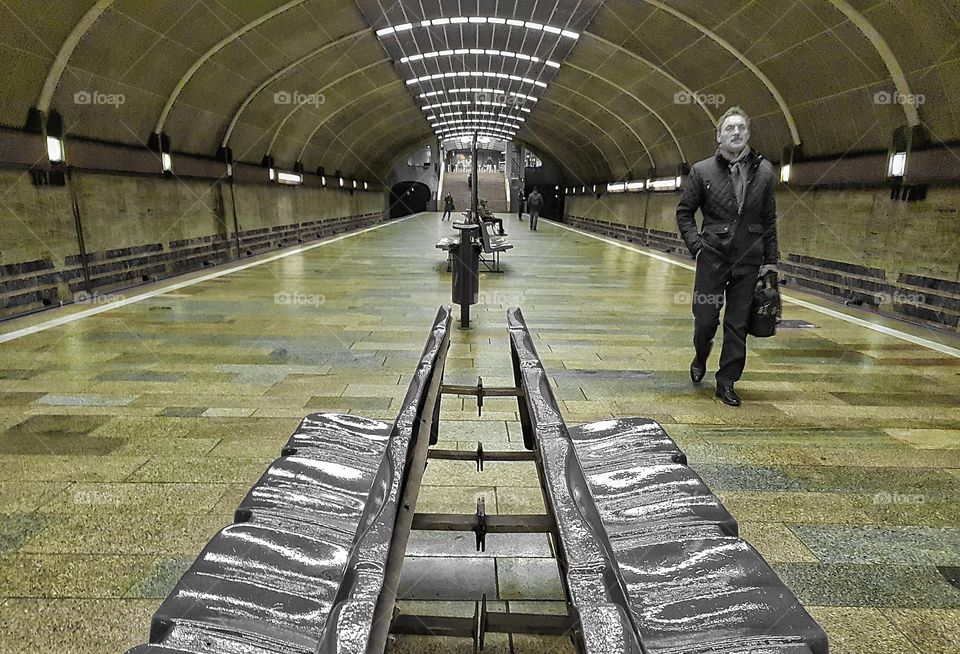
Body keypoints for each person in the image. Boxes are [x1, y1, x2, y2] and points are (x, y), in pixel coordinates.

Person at [676, 106, 779, 407]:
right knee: (706, 319)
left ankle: (727, 382)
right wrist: (696, 245)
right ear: (718, 136)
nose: (736, 132)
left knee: (737, 324)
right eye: (730, 128)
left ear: (748, 134)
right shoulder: (702, 170)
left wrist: (771, 262)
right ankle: (700, 354)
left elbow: (769, 219)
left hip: (749, 260)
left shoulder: (764, 172)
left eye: (742, 128)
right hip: (712, 259)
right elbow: (684, 212)